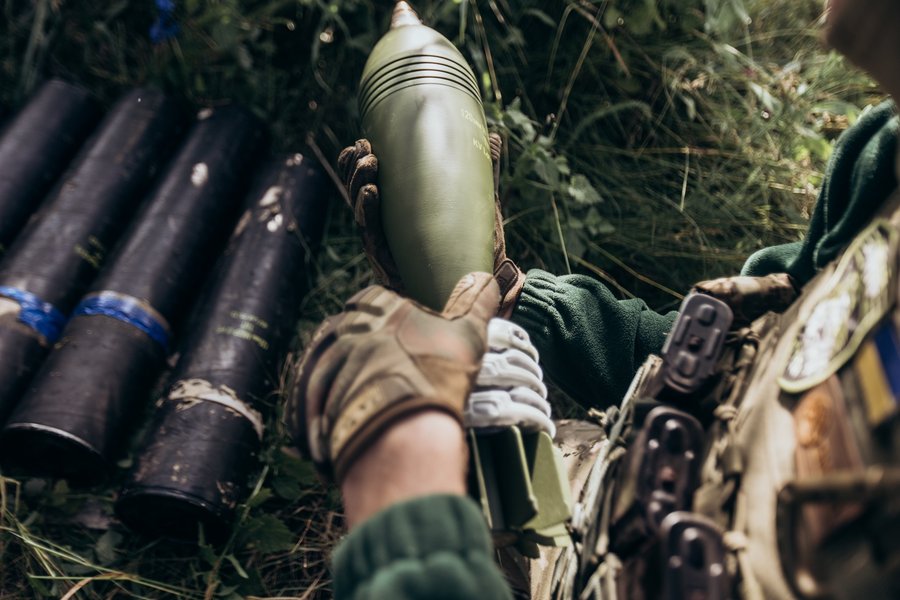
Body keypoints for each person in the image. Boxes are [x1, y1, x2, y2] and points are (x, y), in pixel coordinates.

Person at [285, 0, 900, 598]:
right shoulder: (884, 169)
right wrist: (520, 300)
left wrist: (400, 482)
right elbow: (734, 353)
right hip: (627, 502)